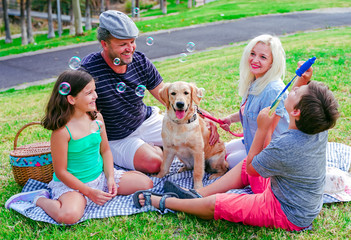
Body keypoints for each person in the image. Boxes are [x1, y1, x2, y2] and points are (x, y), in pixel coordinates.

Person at [133, 80, 340, 231]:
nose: (292, 88)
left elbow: (253, 167)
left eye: (297, 91)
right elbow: (309, 105)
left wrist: (261, 130)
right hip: (296, 199)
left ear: (296, 112)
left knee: (219, 204)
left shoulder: (287, 146)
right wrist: (306, 81)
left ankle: (164, 202)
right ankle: (199, 194)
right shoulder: (318, 126)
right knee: (241, 165)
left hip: (286, 212)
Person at [5, 70, 153, 224]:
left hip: (100, 178)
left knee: (146, 184)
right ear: (71, 99)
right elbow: (61, 172)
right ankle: (40, 198)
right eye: (89, 92)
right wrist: (89, 192)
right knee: (68, 216)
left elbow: (106, 150)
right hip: (73, 185)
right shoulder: (62, 132)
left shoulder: (96, 117)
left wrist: (110, 178)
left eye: (94, 90)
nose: (95, 95)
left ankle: (103, 184)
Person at [81, 10, 219, 174]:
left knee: (203, 139)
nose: (130, 48)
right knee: (156, 164)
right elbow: (84, 114)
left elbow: (168, 96)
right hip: (119, 137)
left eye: (132, 42)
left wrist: (208, 119)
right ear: (105, 44)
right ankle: (152, 149)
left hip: (146, 121)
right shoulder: (88, 70)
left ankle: (154, 146)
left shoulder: (140, 60)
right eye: (123, 44)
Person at [220, 34, 312, 169]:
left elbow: (267, 139)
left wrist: (255, 164)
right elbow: (251, 111)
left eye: (263, 57)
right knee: (222, 151)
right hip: (250, 142)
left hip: (267, 153)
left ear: (272, 63)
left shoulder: (273, 90)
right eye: (252, 54)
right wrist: (230, 119)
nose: (255, 60)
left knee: (226, 162)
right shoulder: (255, 81)